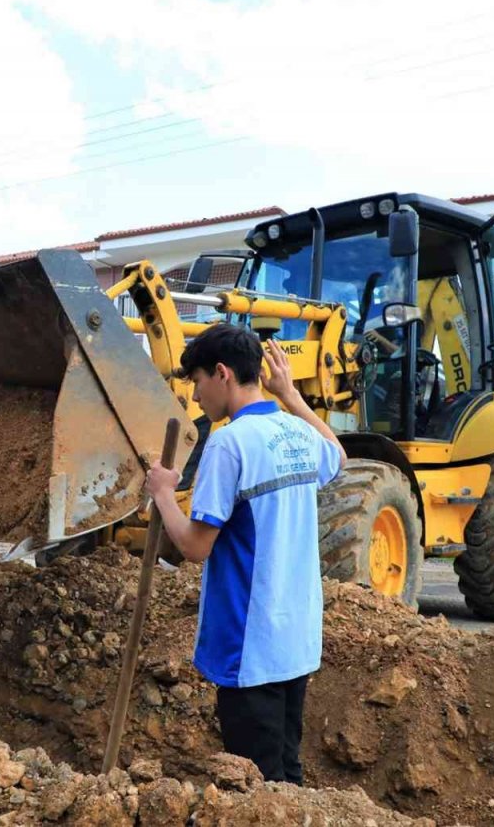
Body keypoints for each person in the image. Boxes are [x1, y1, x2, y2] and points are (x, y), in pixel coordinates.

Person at [144, 322, 346, 784]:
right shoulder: (295, 432)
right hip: (295, 640)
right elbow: (337, 456)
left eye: (197, 382)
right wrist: (291, 396)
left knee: (255, 785)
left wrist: (163, 494)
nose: (196, 396)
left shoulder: (229, 443)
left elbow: (195, 547)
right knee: (286, 773)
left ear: (222, 373)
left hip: (251, 644)